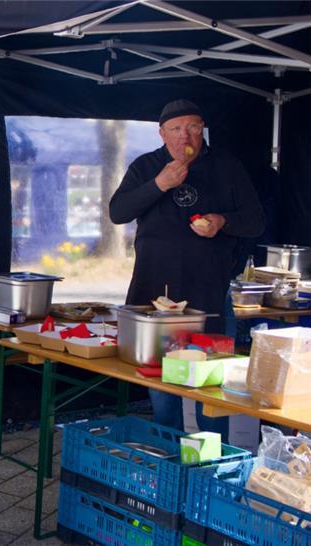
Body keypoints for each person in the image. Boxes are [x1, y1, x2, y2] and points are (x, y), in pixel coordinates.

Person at [109, 99, 264, 437]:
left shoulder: (227, 165)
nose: (185, 135)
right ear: (162, 134)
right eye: (176, 129)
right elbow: (118, 212)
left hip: (208, 294)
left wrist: (222, 221)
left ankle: (208, 473)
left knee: (208, 392)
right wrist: (159, 184)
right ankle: (170, 465)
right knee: (163, 395)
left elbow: (255, 221)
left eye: (193, 126)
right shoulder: (147, 166)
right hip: (157, 298)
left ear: (202, 129)